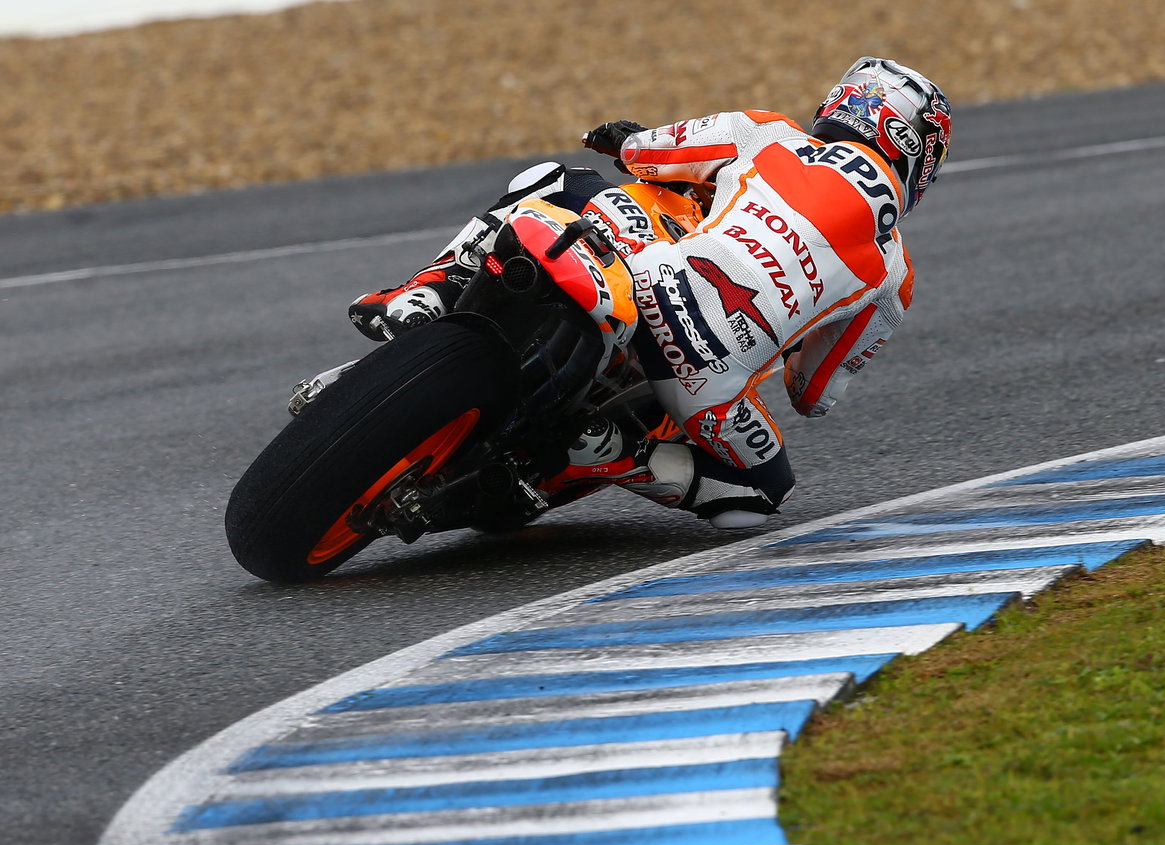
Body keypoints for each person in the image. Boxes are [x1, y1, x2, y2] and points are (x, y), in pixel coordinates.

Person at [333, 57, 952, 530]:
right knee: (760, 494)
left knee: (549, 180)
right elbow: (812, 395)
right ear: (916, 152)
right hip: (701, 375)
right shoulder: (895, 276)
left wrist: (625, 140)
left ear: (841, 103)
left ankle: (424, 294)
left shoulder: (768, 133)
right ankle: (600, 452)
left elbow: (642, 152)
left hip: (647, 281)